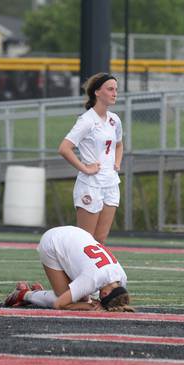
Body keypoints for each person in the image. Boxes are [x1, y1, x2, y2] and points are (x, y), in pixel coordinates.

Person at [4, 225, 133, 312]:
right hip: (53, 241)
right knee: (65, 297)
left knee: (81, 295)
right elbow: (58, 304)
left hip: (76, 233)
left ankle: (40, 295)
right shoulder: (93, 278)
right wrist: (86, 306)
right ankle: (24, 294)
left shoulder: (121, 277)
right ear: (104, 294)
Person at [58, 73, 123, 244]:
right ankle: (72, 270)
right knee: (84, 240)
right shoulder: (87, 120)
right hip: (91, 184)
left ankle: (91, 272)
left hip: (110, 183)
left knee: (100, 239)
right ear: (97, 92)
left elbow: (119, 144)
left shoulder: (114, 120)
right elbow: (64, 148)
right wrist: (85, 168)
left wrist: (117, 163)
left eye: (116, 89)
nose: (114, 93)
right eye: (110, 89)